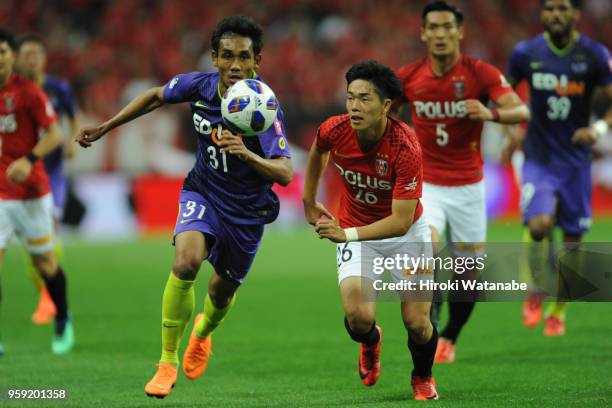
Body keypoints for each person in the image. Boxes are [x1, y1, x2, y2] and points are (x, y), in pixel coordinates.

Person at [76, 16, 292, 399]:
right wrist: (106, 127)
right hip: (203, 193)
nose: (235, 66)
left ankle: (203, 333)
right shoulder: (200, 87)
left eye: (244, 57)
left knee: (221, 293)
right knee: (185, 261)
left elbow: (286, 172)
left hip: (246, 213)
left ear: (257, 60)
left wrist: (246, 154)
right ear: (214, 57)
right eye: (227, 56)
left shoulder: (263, 109)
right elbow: (158, 95)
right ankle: (166, 360)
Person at [396, 1, 530, 363]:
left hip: (469, 188)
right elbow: (384, 113)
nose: (440, 34)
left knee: (467, 275)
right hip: (427, 186)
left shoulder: (480, 73)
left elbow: (521, 109)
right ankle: (430, 318)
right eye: (433, 28)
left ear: (460, 32)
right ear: (423, 33)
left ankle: (451, 335)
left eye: (446, 27)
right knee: (427, 250)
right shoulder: (408, 76)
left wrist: (491, 113)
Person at [303, 60, 439, 401]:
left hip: (406, 237)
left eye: (364, 98)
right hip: (355, 228)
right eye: (350, 97)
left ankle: (422, 377)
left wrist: (345, 235)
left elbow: (401, 221)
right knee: (359, 318)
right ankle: (370, 342)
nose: (354, 106)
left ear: (386, 106)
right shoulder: (335, 129)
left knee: (417, 324)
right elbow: (318, 148)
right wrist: (308, 199)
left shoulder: (405, 148)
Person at [504, 0, 612, 336]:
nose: (555, 14)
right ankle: (535, 289)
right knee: (538, 225)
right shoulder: (526, 53)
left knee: (573, 240)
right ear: (543, 14)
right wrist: (511, 130)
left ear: (575, 15)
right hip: (538, 156)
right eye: (549, 8)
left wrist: (597, 130)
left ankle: (559, 309)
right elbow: (503, 92)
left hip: (577, 160)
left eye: (563, 8)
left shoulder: (593, 55)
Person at [0, 28, 74, 355]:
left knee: (45, 264)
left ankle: (63, 317)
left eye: (2, 51)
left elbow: (55, 135)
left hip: (31, 193)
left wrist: (28, 160)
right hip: (0, 196)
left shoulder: (28, 92)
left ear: (11, 56)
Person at [17, 33, 80, 326]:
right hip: (19, 170)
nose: (31, 60)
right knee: (31, 241)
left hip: (50, 171)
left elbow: (71, 114)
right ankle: (44, 290)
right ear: (18, 59)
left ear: (43, 59)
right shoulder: (12, 90)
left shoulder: (58, 87)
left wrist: (70, 141)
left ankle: (48, 296)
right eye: (26, 55)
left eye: (36, 54)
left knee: (50, 226)